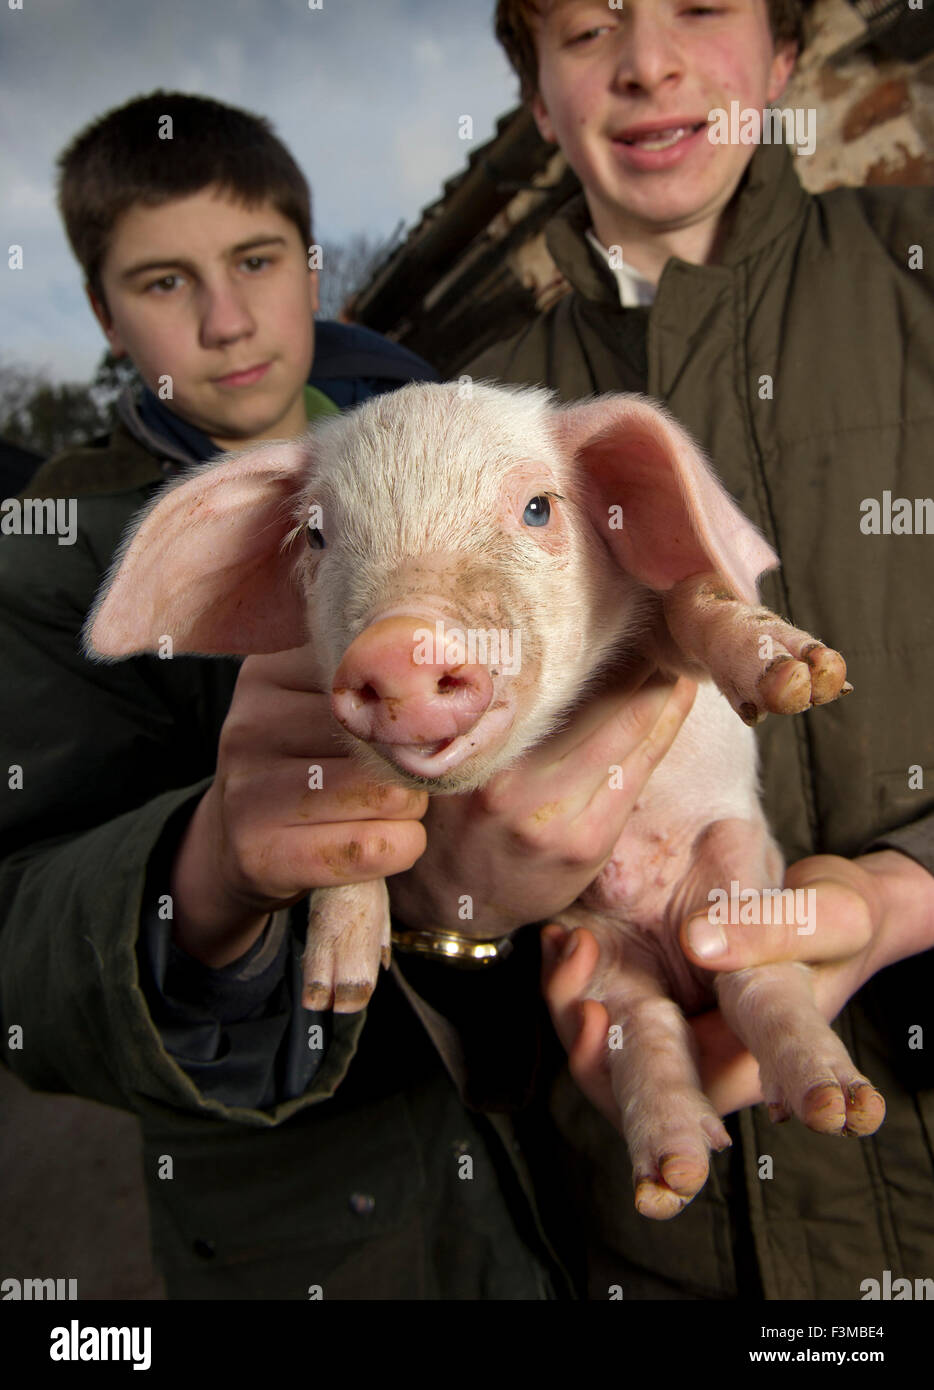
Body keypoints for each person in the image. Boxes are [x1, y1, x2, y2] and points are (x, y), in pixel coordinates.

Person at [436, 0, 934, 1298]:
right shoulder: (472, 427)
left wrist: (903, 896)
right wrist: (462, 896)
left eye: (699, 8)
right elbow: (419, 777)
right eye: (589, 27)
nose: (647, 62)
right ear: (538, 97)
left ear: (779, 53)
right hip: (647, 1235)